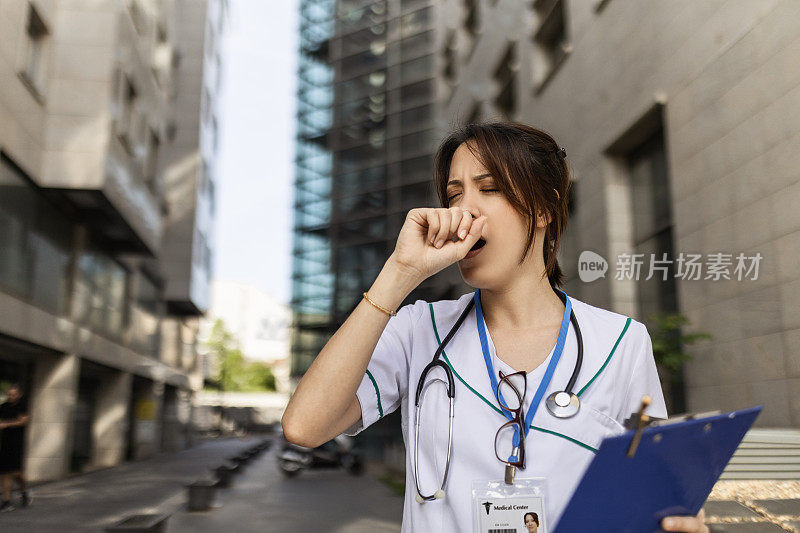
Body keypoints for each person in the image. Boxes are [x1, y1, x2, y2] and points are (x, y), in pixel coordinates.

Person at [282, 121, 708, 532]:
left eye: (489, 189)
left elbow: (647, 498)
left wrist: (674, 520)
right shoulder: (418, 329)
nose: (464, 209)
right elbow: (305, 427)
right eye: (454, 194)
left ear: (542, 208)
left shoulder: (621, 342)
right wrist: (400, 273)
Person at [0, 383, 30, 512]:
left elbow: (23, 421)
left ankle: (24, 491)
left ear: (19, 394)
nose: (11, 396)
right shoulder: (3, 407)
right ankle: (6, 501)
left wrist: (6, 424)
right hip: (4, 443)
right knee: (4, 473)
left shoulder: (22, 406)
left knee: (17, 473)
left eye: (13, 394)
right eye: (9, 394)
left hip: (17, 443)